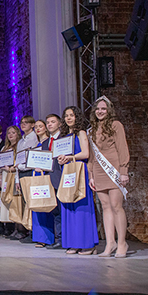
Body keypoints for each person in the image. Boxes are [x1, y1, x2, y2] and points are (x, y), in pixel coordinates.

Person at [88, 96, 130, 258]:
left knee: (116, 205)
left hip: (113, 169)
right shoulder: (92, 129)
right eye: (98, 109)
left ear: (109, 110)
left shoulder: (115, 125)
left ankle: (122, 243)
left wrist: (124, 171)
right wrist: (91, 175)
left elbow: (122, 148)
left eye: (103, 109)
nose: (100, 111)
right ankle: (110, 242)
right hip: (98, 171)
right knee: (105, 206)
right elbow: (92, 156)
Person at [58, 106, 99, 255]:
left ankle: (88, 244)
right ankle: (74, 243)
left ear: (77, 117)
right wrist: (61, 159)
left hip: (80, 170)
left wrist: (70, 157)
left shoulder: (81, 132)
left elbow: (86, 153)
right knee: (68, 206)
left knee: (81, 207)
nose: (69, 118)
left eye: (72, 115)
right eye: (66, 115)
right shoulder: (64, 136)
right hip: (68, 170)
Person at [32, 114, 63, 249]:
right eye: (48, 122)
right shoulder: (45, 143)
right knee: (54, 211)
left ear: (59, 124)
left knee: (62, 211)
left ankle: (63, 239)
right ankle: (58, 238)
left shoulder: (63, 139)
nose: (50, 124)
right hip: (49, 180)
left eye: (52, 122)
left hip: (61, 178)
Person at [16, 115, 39, 243]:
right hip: (21, 172)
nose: (23, 124)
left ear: (32, 125)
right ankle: (29, 231)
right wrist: (16, 179)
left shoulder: (35, 138)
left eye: (26, 122)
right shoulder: (21, 141)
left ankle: (35, 232)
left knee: (33, 202)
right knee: (26, 203)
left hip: (30, 171)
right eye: (22, 122)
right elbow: (18, 160)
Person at [0, 126, 22, 238]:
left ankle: (18, 228)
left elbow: (20, 162)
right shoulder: (5, 147)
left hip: (13, 175)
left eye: (13, 133)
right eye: (9, 133)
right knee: (6, 200)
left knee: (14, 201)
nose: (11, 135)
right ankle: (10, 227)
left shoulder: (19, 146)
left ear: (17, 134)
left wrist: (11, 169)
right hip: (5, 176)